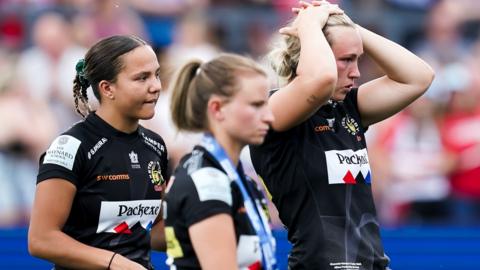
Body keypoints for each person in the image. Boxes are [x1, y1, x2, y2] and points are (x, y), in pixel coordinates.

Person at [249, 1, 435, 269]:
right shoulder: (272, 111)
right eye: (346, 60)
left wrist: (348, 25)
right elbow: (320, 80)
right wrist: (311, 25)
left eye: (357, 59)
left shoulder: (348, 109)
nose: (356, 72)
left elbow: (419, 76)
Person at [28, 35, 169, 270]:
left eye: (156, 74)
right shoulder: (71, 146)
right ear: (107, 88)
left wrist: (199, 228)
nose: (156, 86)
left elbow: (150, 232)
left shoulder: (155, 146)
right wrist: (115, 263)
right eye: (142, 78)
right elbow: (41, 239)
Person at [163, 53, 277, 270]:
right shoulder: (206, 180)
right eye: (256, 105)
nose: (269, 117)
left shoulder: (239, 179)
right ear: (216, 109)